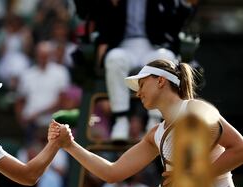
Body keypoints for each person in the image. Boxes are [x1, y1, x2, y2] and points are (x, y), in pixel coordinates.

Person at [52, 59, 243, 187]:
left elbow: (240, 149)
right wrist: (69, 145)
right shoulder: (155, 135)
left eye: (142, 84)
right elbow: (111, 173)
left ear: (160, 81)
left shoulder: (195, 111)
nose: (138, 93)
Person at [83, 0, 198, 140]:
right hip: (124, 46)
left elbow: (179, 16)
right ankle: (121, 120)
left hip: (154, 46)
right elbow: (94, 17)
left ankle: (155, 121)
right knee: (114, 58)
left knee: (165, 58)